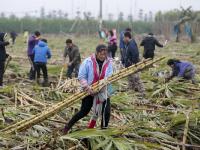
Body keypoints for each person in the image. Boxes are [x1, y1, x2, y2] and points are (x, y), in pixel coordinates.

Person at [63, 44, 113, 134]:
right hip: (88, 90)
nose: (103, 56)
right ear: (96, 53)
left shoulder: (109, 62)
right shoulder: (88, 62)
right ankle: (67, 126)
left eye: (105, 54)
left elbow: (110, 75)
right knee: (84, 111)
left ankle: (104, 132)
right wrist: (87, 87)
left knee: (106, 112)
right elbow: (81, 76)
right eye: (101, 54)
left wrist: (103, 84)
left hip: (103, 90)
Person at [123, 31, 145, 97]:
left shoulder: (132, 44)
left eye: (124, 37)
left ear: (127, 37)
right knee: (130, 77)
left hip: (133, 64)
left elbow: (135, 54)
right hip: (129, 64)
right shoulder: (129, 43)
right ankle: (131, 88)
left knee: (136, 78)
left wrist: (133, 63)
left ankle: (142, 91)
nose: (123, 39)